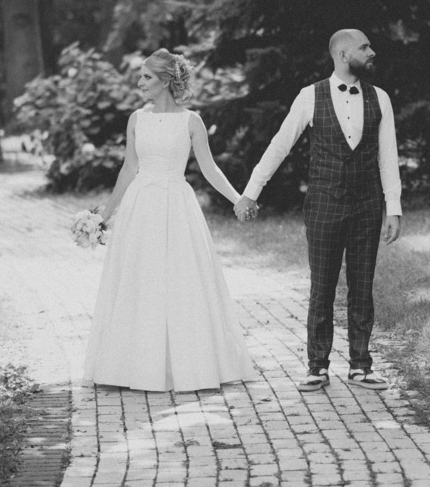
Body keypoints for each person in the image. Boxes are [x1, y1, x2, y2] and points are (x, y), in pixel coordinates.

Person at [234, 28, 402, 392]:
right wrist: (250, 193)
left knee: (362, 286)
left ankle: (361, 365)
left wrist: (394, 207)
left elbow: (388, 155)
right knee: (322, 286)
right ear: (342, 55)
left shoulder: (381, 98)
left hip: (368, 204)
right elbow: (280, 145)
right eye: (364, 47)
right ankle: (317, 366)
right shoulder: (310, 96)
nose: (371, 52)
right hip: (324, 203)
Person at [84, 49, 255, 392]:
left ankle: (189, 365)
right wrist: (105, 214)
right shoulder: (136, 119)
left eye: (146, 77)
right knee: (139, 280)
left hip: (177, 206)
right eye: (141, 76)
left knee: (181, 280)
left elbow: (209, 168)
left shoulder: (191, 121)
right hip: (141, 207)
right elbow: (129, 168)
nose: (140, 82)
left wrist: (238, 198)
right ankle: (132, 366)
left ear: (165, 82)